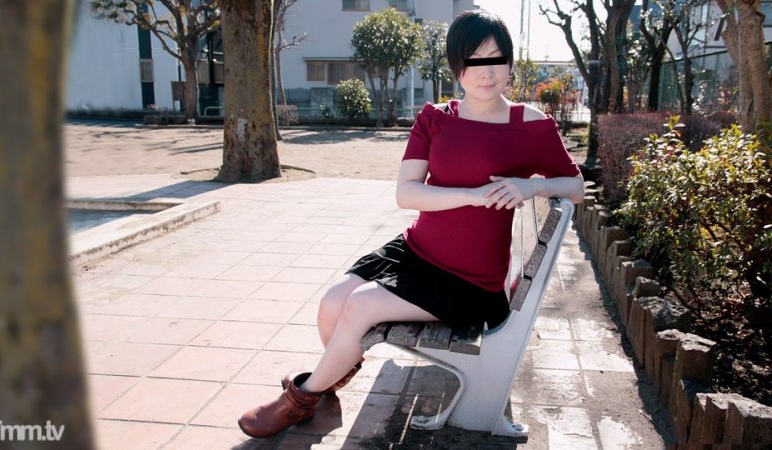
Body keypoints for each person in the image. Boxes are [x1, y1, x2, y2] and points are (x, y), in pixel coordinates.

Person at [238, 9, 584, 438]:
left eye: (496, 59)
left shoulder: (529, 125)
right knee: (332, 304)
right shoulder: (434, 119)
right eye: (474, 61)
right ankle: (333, 375)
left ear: (510, 63)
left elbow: (575, 186)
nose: (487, 72)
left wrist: (531, 186)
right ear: (456, 66)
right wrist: (472, 196)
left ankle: (301, 399)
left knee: (361, 305)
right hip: (417, 252)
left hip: (470, 283)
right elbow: (407, 193)